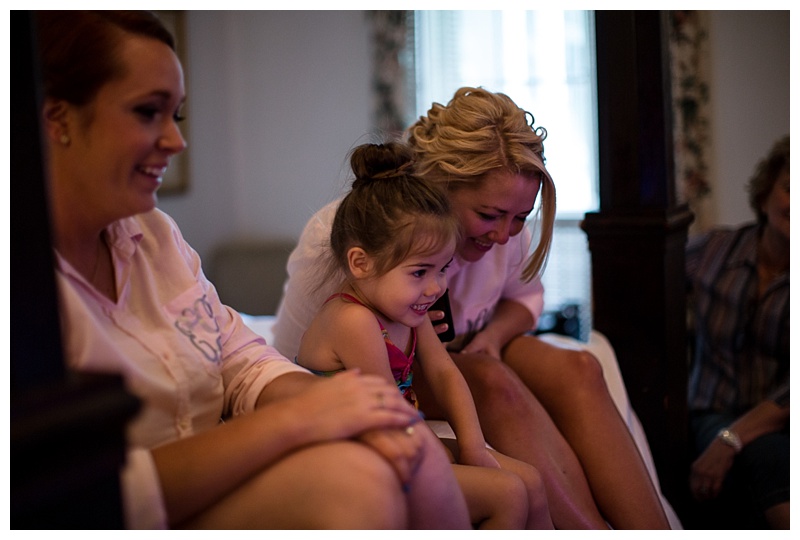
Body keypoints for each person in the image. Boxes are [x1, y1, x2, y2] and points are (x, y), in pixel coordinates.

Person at [36, 10, 471, 530]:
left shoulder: (154, 236)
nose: (177, 142)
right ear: (57, 118)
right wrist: (294, 420)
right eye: (148, 113)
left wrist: (337, 402)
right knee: (362, 480)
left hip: (214, 481)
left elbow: (240, 359)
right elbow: (70, 493)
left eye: (177, 116)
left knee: (399, 446)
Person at [273, 87, 672, 529]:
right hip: (370, 361)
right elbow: (294, 355)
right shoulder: (355, 235)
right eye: (489, 215)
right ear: (440, 187)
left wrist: (492, 337)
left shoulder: (505, 221)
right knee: (488, 380)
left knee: (580, 370)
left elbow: (523, 302)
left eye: (520, 218)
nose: (505, 235)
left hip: (459, 344)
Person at [296, 142, 553, 529]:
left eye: (443, 269)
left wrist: (472, 446)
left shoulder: (410, 313)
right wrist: (441, 455)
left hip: (394, 444)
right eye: (420, 272)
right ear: (360, 263)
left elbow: (446, 374)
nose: (436, 288)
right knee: (508, 493)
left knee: (531, 480)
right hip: (352, 456)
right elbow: (389, 415)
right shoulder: (354, 322)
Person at [686, 135, 789, 529]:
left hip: (782, 418)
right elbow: (646, 280)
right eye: (787, 188)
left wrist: (728, 441)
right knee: (766, 457)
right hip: (712, 410)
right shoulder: (714, 251)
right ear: (765, 194)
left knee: (766, 453)